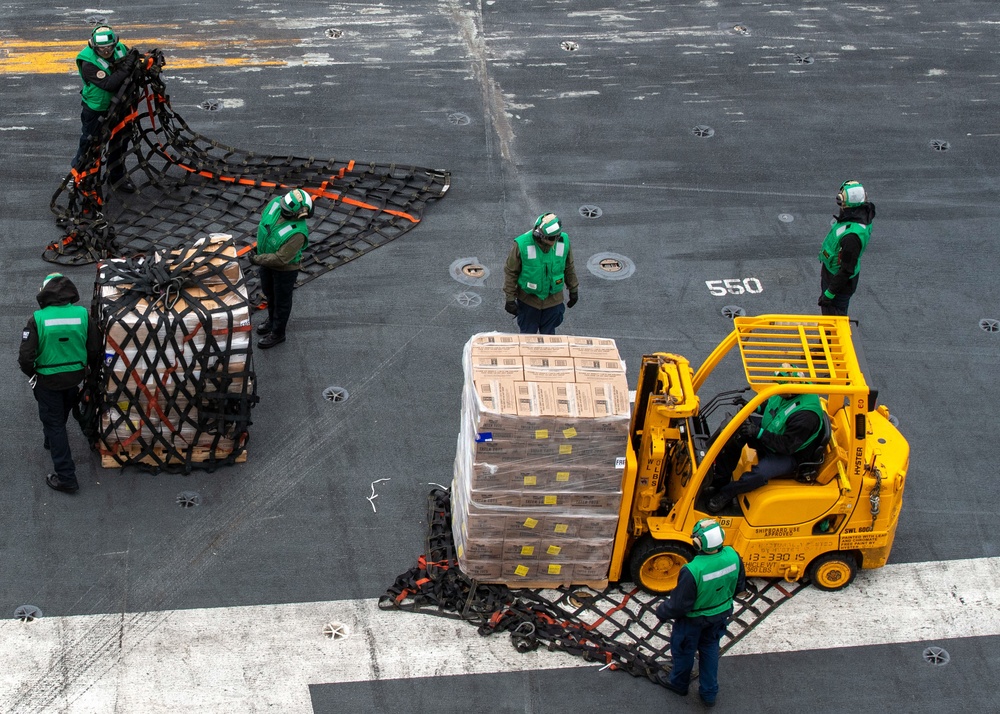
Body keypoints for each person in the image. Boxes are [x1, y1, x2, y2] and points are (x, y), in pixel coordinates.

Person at [19, 273, 103, 494]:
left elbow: (25, 358)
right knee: (60, 413)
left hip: (47, 380)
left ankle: (66, 477)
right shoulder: (83, 315)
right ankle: (50, 438)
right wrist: (89, 374)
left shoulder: (37, 319)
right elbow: (94, 349)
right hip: (75, 377)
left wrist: (34, 374)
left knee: (55, 424)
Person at [655, 518, 746, 707]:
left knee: (684, 651)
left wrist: (662, 611)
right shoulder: (733, 556)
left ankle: (679, 684)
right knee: (710, 649)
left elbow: (680, 606)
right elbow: (739, 586)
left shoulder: (692, 570)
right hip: (720, 614)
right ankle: (709, 693)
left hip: (693, 621)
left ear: (698, 543)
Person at [707, 384, 826, 513]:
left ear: (791, 391)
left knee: (759, 474)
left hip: (789, 453)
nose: (777, 387)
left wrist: (758, 432)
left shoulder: (806, 417)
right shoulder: (784, 391)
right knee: (737, 431)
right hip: (775, 432)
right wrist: (751, 406)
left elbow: (787, 446)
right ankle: (721, 478)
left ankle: (727, 493)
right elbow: (771, 405)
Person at [73, 25, 139, 192]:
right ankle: (79, 176)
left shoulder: (120, 48)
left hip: (120, 106)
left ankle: (116, 177)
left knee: (120, 142)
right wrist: (127, 67)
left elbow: (132, 62)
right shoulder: (88, 62)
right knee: (89, 144)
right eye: (101, 48)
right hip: (97, 110)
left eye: (109, 47)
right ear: (93, 46)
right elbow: (109, 84)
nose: (106, 51)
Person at [251, 189, 313, 349]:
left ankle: (278, 333)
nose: (282, 209)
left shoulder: (298, 233)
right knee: (269, 293)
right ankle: (272, 320)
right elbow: (266, 226)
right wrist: (259, 249)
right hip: (266, 260)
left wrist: (257, 259)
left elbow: (281, 259)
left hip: (284, 270)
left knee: (282, 301)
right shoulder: (276, 203)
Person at [502, 213, 579, 334]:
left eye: (556, 237)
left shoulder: (563, 241)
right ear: (540, 235)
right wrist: (510, 298)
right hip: (529, 302)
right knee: (527, 340)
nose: (553, 241)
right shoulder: (521, 244)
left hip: (553, 302)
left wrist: (573, 290)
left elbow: (569, 267)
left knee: (549, 342)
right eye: (550, 238)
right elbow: (511, 272)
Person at [817, 180, 876, 316]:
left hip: (838, 285)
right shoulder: (858, 216)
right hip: (832, 274)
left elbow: (846, 269)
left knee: (833, 320)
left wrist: (829, 293)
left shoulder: (852, 237)